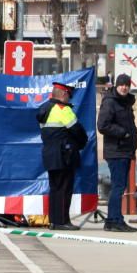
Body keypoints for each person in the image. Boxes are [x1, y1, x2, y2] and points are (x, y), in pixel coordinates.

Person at [36, 81, 88, 231]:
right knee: (65, 189)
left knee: (55, 189)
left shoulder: (44, 110)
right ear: (64, 94)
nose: (69, 99)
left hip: (50, 155)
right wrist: (81, 143)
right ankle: (62, 221)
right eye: (69, 96)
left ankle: (54, 220)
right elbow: (78, 131)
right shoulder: (63, 110)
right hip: (64, 155)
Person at [97, 74, 137, 233]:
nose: (124, 87)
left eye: (127, 85)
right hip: (116, 151)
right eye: (121, 85)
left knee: (119, 187)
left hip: (126, 150)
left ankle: (113, 220)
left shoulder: (126, 102)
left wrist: (134, 133)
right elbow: (102, 125)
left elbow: (128, 123)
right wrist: (124, 133)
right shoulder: (110, 102)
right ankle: (115, 220)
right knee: (118, 187)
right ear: (116, 86)